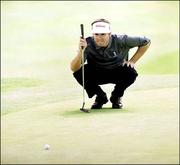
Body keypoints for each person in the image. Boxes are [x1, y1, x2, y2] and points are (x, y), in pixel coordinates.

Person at [70, 18, 151, 109]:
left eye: (103, 34)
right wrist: (81, 52)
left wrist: (132, 61)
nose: (99, 37)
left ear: (109, 34)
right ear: (93, 34)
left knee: (131, 73)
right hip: (96, 72)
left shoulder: (122, 40)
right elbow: (74, 68)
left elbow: (146, 42)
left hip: (117, 71)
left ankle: (116, 97)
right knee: (79, 73)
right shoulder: (87, 43)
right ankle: (100, 97)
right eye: (96, 34)